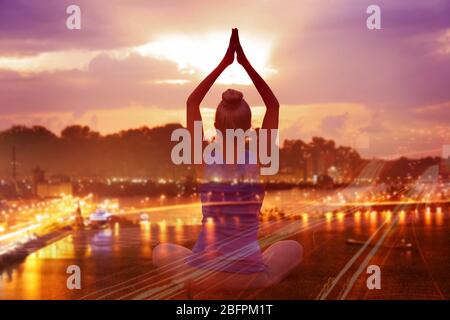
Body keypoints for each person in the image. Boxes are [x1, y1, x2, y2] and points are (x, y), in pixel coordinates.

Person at [153, 28, 302, 293]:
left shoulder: (203, 160)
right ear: (249, 126)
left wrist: (225, 62)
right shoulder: (259, 160)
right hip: (250, 277)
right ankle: (261, 280)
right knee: (292, 248)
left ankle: (192, 282)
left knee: (161, 251)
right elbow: (274, 106)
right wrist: (243, 62)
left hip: (202, 273)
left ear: (214, 125)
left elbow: (192, 103)